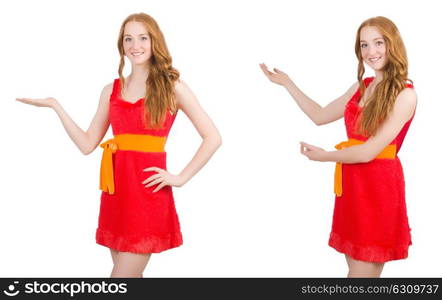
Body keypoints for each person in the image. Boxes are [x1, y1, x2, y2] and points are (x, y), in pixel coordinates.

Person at [16, 13, 222, 278]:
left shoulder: (173, 87)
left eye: (143, 38)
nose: (135, 45)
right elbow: (88, 144)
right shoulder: (110, 90)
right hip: (116, 195)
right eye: (128, 39)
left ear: (154, 41)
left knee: (118, 282)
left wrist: (180, 177)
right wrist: (56, 106)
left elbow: (213, 137)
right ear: (121, 46)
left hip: (148, 195)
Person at [260, 16, 417, 277]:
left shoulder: (405, 94)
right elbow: (319, 115)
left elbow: (368, 151)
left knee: (360, 276)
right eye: (364, 45)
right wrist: (288, 83)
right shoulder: (360, 87)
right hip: (352, 185)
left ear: (393, 44)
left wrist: (324, 156)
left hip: (378, 189)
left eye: (379, 43)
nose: (371, 52)